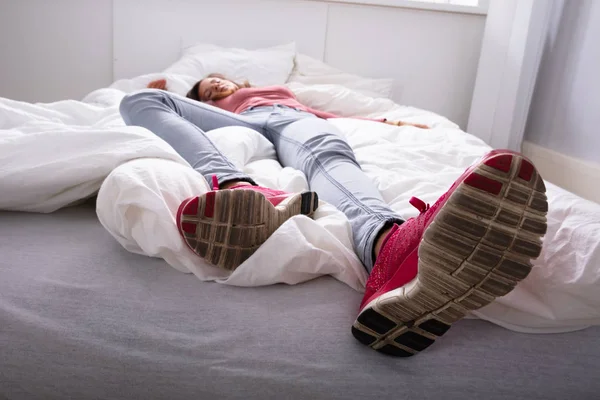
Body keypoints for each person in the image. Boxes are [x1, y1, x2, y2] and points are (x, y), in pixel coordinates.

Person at [119, 74, 548, 356]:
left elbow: (331, 115)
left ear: (238, 79)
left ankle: (391, 249)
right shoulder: (219, 105)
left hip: (291, 120)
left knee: (327, 157)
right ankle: (241, 189)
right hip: (238, 126)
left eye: (218, 79)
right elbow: (168, 103)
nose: (213, 84)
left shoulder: (281, 93)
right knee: (141, 99)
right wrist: (168, 86)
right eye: (205, 86)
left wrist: (390, 123)